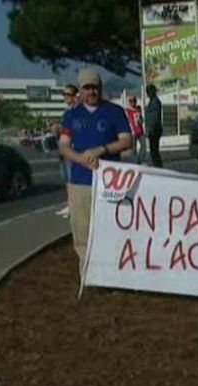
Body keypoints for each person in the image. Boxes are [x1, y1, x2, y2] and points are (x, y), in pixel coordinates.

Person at [59, 68, 133, 279]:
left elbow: (127, 140)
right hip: (80, 182)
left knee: (110, 230)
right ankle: (88, 276)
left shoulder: (114, 112)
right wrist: (80, 158)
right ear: (80, 91)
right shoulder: (71, 116)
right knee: (82, 232)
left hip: (109, 182)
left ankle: (113, 275)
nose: (91, 92)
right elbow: (64, 146)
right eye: (87, 88)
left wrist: (103, 150)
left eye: (95, 87)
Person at [55, 84, 80, 218]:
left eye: (68, 94)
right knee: (66, 177)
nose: (65, 97)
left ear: (75, 96)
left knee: (71, 178)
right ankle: (70, 203)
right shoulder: (67, 112)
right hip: (63, 149)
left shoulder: (76, 112)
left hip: (72, 149)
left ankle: (73, 205)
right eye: (64, 94)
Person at [145, 84, 163, 167]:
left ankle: (158, 167)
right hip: (152, 129)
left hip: (154, 130)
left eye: (148, 91)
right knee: (153, 151)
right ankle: (157, 166)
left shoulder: (155, 102)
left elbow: (155, 118)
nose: (147, 93)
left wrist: (151, 129)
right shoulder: (152, 101)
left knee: (154, 151)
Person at [125, 95, 146, 164]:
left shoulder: (138, 109)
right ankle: (135, 162)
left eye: (134, 101)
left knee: (143, 145)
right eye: (131, 101)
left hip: (140, 131)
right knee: (133, 149)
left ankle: (140, 159)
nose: (133, 102)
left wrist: (140, 120)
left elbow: (142, 120)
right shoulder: (127, 111)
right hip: (132, 132)